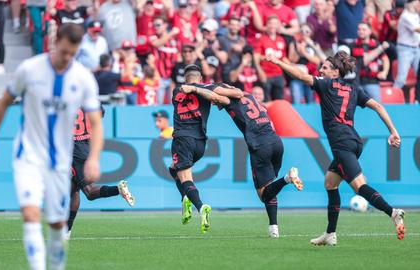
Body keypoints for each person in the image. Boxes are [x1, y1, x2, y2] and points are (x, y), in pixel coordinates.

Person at [0, 24, 104, 270]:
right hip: (27, 155)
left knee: (57, 224)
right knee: (30, 215)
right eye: (65, 52)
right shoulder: (30, 69)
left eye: (73, 53)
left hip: (60, 161)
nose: (68, 58)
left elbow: (96, 122)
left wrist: (94, 158)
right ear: (56, 41)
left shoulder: (83, 78)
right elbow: (3, 103)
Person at [266, 51, 405, 246]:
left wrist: (277, 61)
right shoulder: (354, 89)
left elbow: (299, 76)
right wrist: (393, 131)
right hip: (354, 141)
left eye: (324, 67)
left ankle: (393, 212)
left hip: (341, 143)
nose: (320, 70)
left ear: (335, 72)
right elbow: (379, 107)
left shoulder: (325, 84)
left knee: (359, 187)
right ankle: (330, 234)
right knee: (330, 183)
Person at [219, 83, 303, 237]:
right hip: (276, 143)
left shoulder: (230, 98)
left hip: (260, 146)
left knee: (264, 194)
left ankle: (287, 178)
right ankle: (273, 228)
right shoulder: (252, 99)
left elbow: (215, 95)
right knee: (270, 188)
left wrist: (198, 89)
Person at [169, 64, 243, 233]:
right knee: (174, 169)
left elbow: (190, 91)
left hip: (182, 139)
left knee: (186, 178)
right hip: (201, 143)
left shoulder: (176, 91)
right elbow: (236, 93)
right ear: (201, 79)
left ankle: (201, 207)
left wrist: (194, 89)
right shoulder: (209, 88)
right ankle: (185, 200)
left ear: (185, 79)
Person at [68, 106, 134, 237]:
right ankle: (66, 231)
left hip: (73, 149)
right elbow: (101, 112)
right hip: (83, 149)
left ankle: (118, 189)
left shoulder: (65, 100)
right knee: (73, 190)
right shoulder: (89, 101)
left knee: (89, 192)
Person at [288, 23, 326, 104]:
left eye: (307, 31)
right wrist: (298, 52)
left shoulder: (315, 44)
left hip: (311, 76)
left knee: (310, 100)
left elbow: (317, 61)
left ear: (311, 33)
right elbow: (291, 60)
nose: (304, 33)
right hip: (297, 75)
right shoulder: (294, 43)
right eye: (302, 31)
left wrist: (304, 52)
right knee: (296, 100)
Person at [352, 22, 390, 102]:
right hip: (357, 82)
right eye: (359, 29)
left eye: (364, 29)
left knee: (377, 107)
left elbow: (385, 59)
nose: (361, 31)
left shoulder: (375, 44)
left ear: (370, 31)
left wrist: (385, 72)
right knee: (355, 108)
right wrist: (380, 48)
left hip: (372, 82)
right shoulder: (353, 45)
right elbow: (363, 62)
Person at [257, 15, 289, 101]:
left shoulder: (281, 39)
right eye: (270, 23)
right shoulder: (261, 39)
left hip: (279, 74)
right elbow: (256, 57)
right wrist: (260, 72)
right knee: (266, 101)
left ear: (278, 25)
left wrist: (291, 67)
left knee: (279, 102)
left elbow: (283, 57)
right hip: (266, 74)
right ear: (266, 25)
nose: (272, 26)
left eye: (275, 23)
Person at [148, 16, 179, 104]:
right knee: (158, 103)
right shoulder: (153, 37)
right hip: (159, 77)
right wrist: (171, 33)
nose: (155, 27)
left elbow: (179, 56)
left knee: (173, 104)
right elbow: (157, 44)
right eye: (154, 25)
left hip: (172, 78)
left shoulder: (175, 40)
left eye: (158, 25)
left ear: (165, 25)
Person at [394, 0, 420, 103]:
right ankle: (393, 101)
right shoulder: (406, 15)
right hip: (405, 49)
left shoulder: (415, 15)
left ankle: (417, 99)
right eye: (416, 2)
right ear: (409, 3)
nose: (418, 4)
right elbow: (417, 29)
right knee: (401, 79)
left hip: (416, 48)